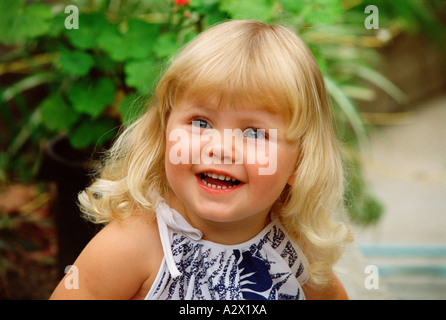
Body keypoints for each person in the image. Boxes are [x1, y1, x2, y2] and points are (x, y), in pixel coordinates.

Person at [50, 20, 353, 300]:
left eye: (254, 133)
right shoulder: (133, 247)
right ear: (163, 135)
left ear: (301, 163)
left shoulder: (295, 250)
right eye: (201, 123)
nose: (221, 148)